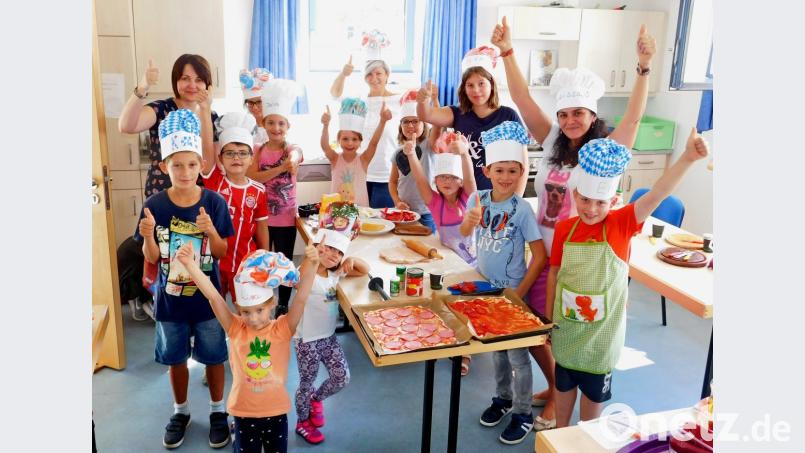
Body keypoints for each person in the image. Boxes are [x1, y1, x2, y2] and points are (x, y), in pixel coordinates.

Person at [491, 16, 657, 429]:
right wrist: (508, 52)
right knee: (537, 327)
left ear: (592, 113)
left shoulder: (605, 149)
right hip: (540, 248)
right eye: (563, 113)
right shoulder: (550, 142)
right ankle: (555, 387)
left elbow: (634, 120)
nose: (569, 120)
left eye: (577, 113)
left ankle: (555, 403)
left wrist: (643, 68)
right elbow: (522, 97)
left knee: (564, 329)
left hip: (582, 253)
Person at [547, 130, 709, 428]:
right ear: (575, 194)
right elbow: (555, 273)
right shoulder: (564, 229)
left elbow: (657, 193)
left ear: (614, 200)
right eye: (585, 200)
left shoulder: (622, 224)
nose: (591, 209)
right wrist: (548, 318)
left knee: (592, 397)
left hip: (601, 333)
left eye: (601, 202)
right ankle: (558, 435)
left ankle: (585, 440)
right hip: (566, 326)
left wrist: (687, 158)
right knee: (564, 383)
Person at [133, 109, 235, 449]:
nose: (186, 172)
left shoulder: (214, 203)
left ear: (201, 165)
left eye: (192, 165)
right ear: (164, 167)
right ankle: (180, 411)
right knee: (175, 358)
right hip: (170, 300)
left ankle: (219, 411)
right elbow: (151, 258)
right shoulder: (155, 205)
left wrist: (209, 231)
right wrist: (148, 236)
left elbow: (220, 253)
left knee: (214, 355)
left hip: (209, 300)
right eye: (177, 165)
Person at [175, 243, 319, 453]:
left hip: (276, 412)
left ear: (272, 303)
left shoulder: (283, 328)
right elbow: (214, 296)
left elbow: (301, 298)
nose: (253, 318)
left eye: (260, 310)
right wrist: (189, 264)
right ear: (238, 308)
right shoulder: (235, 328)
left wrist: (313, 264)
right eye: (245, 312)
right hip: (243, 413)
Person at [459, 121, 547, 445]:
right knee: (496, 353)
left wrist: (518, 295)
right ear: (487, 170)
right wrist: (467, 223)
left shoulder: (522, 210)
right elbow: (466, 235)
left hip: (512, 293)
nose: (506, 177)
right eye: (500, 170)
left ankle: (524, 412)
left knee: (519, 359)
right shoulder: (477, 200)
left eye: (513, 171)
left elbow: (538, 256)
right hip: (485, 290)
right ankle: (503, 399)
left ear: (522, 171)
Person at [405, 132, 477, 376]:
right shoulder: (434, 202)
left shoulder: (469, 198)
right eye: (441, 177)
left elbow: (471, 178)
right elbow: (419, 179)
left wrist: (464, 154)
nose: (446, 181)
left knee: (465, 307)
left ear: (459, 182)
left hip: (473, 263)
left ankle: (464, 351)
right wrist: (410, 153)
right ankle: (446, 338)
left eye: (452, 177)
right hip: (448, 261)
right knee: (446, 302)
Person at [417, 46, 527, 193]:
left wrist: (516, 200)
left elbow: (523, 163)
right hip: (464, 198)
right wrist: (423, 101)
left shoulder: (508, 116)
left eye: (481, 83)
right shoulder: (457, 113)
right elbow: (426, 115)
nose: (476, 90)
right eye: (470, 85)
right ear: (464, 88)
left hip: (500, 197)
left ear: (491, 84)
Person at [294, 228, 368, 444]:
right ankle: (302, 422)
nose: (333, 255)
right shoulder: (306, 273)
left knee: (342, 377)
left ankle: (316, 399)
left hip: (329, 338)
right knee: (306, 382)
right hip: (306, 340)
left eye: (339, 252)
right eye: (329, 249)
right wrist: (313, 254)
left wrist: (352, 259)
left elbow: (365, 269)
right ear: (317, 248)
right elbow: (304, 274)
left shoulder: (335, 274)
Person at [119, 54, 220, 198]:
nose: (192, 85)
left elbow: (208, 166)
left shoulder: (211, 116)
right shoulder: (161, 109)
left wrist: (205, 109)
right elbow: (126, 126)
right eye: (185, 78)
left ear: (208, 85)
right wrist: (143, 87)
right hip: (161, 194)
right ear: (175, 80)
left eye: (199, 80)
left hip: (197, 198)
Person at [246, 78, 304, 316]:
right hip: (262, 218)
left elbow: (297, 154)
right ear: (264, 123)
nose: (276, 128)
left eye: (281, 123)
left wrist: (293, 160)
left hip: (286, 218)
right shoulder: (258, 149)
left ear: (287, 126)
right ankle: (263, 296)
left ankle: (283, 302)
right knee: (263, 258)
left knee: (284, 261)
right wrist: (280, 169)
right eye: (271, 122)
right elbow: (254, 177)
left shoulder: (291, 148)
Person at [199, 110, 269, 304]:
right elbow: (205, 148)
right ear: (220, 158)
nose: (236, 158)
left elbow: (262, 228)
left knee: (247, 308)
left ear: (251, 158)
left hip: (246, 262)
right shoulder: (214, 182)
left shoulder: (259, 190)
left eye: (242, 153)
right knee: (215, 308)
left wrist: (263, 259)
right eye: (229, 153)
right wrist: (206, 106)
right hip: (214, 262)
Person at [330, 44, 400, 208]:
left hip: (386, 174)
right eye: (369, 74)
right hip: (358, 174)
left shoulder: (398, 101)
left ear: (387, 75)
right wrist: (343, 74)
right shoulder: (359, 103)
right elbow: (335, 94)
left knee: (382, 223)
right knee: (356, 221)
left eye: (378, 73)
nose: (374, 77)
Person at [320, 98, 391, 207]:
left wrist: (382, 121)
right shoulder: (335, 158)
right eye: (345, 139)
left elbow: (373, 143)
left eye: (354, 139)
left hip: (361, 210)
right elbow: (325, 146)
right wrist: (325, 125)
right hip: (337, 209)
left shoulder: (364, 159)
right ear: (338, 140)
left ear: (360, 141)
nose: (350, 143)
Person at [389, 89, 440, 233]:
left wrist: (435, 101)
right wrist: (397, 202)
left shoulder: (429, 145)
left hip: (427, 212)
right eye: (406, 122)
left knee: (427, 246)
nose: (410, 125)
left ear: (424, 124)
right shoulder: (397, 152)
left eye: (415, 121)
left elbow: (438, 125)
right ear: (401, 126)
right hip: (404, 213)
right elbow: (393, 182)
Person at [239, 67, 273, 147]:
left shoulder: (276, 124)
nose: (254, 107)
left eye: (259, 102)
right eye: (250, 102)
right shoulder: (244, 125)